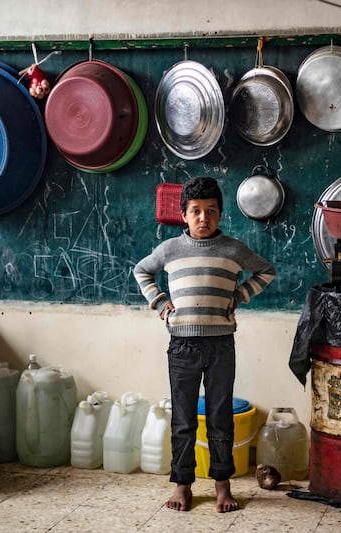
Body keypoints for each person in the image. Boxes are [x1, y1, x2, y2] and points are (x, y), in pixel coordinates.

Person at [133, 176, 275, 513]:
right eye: (195, 211)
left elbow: (265, 271)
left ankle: (222, 487)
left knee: (219, 417)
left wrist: (239, 295)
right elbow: (142, 271)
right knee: (183, 419)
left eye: (211, 211)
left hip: (221, 346)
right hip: (182, 345)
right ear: (183, 215)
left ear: (220, 214)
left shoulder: (233, 249)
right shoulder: (170, 249)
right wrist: (161, 304)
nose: (203, 218)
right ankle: (183, 485)